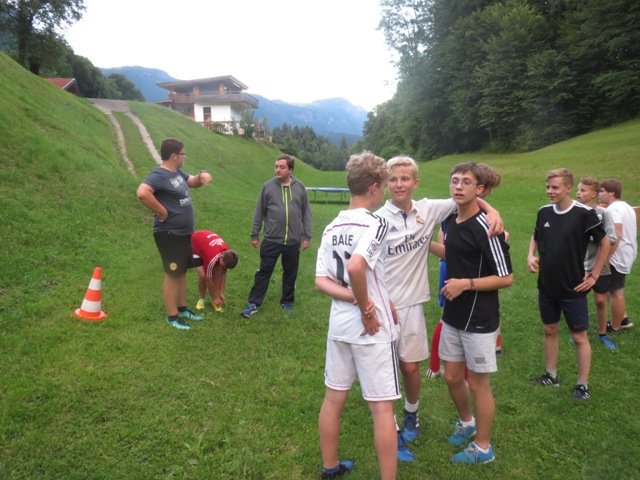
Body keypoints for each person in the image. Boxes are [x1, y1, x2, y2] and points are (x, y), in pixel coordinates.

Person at [374, 156, 503, 462]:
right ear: (385, 184)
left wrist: (492, 210)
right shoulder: (377, 219)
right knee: (385, 372)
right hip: (382, 306)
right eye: (393, 179)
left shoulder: (430, 209)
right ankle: (392, 431)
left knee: (410, 368)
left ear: (415, 183)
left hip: (412, 305)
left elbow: (467, 199)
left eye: (405, 179)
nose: (399, 184)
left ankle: (411, 413)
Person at [315, 152, 397, 480]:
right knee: (382, 408)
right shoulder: (376, 223)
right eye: (385, 186)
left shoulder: (332, 226)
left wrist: (355, 298)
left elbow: (321, 281)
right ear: (374, 186)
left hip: (339, 327)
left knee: (333, 399)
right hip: (370, 330)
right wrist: (366, 309)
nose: (386, 192)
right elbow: (356, 266)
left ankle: (330, 468)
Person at [438, 162, 512, 464]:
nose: (458, 186)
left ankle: (483, 448)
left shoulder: (488, 228)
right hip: (453, 312)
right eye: (454, 180)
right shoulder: (451, 219)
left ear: (479, 189)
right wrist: (418, 244)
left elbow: (506, 277)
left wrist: (465, 284)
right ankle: (467, 422)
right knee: (452, 376)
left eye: (466, 182)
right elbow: (453, 253)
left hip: (479, 317)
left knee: (479, 384)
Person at [528, 168, 609, 400]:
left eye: (555, 187)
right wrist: (530, 255)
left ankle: (582, 386)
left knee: (579, 336)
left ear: (568, 188)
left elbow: (605, 243)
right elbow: (536, 236)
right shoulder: (544, 212)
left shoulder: (584, 213)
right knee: (549, 329)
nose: (550, 191)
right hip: (546, 285)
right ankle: (550, 375)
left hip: (573, 287)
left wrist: (594, 275)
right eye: (548, 187)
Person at [426, 163, 504, 380]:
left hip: (471, 284)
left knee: (454, 320)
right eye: (488, 189)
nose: (488, 194)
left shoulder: (484, 221)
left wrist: (492, 212)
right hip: (454, 273)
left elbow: (505, 276)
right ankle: (438, 366)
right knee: (446, 319)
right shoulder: (453, 212)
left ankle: (470, 367)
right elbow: (449, 243)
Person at [136, 138, 213, 330]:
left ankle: (182, 309)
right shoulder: (159, 175)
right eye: (183, 154)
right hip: (170, 233)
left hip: (184, 233)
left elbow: (193, 181)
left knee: (181, 271)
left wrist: (202, 175)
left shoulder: (176, 173)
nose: (184, 157)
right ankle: (172, 317)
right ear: (173, 156)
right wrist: (162, 211)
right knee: (173, 274)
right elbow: (142, 192)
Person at [240, 154, 313, 317]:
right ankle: (254, 303)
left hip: (293, 241)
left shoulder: (300, 187)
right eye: (276, 167)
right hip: (271, 240)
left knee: (290, 273)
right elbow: (259, 212)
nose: (278, 170)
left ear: (290, 170)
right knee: (264, 271)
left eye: (282, 167)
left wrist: (307, 236)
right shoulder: (267, 187)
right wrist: (254, 235)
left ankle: (286, 301)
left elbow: (306, 213)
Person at [575, 178, 618, 349]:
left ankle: (603, 334)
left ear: (594, 194)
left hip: (599, 266)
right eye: (578, 190)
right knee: (578, 300)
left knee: (600, 300)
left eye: (583, 190)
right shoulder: (574, 212)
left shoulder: (603, 213)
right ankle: (579, 331)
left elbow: (612, 238)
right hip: (578, 265)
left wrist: (593, 235)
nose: (578, 193)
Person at [597, 179, 638, 333]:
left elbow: (617, 234)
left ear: (612, 193)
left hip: (617, 255)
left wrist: (606, 257)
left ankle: (616, 326)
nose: (598, 194)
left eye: (602, 191)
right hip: (627, 252)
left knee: (616, 292)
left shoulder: (613, 209)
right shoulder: (625, 206)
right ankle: (623, 318)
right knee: (611, 288)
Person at [191, 230, 239, 312]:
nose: (224, 267)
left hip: (208, 247)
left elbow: (223, 274)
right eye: (224, 265)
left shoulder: (228, 254)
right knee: (203, 276)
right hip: (195, 245)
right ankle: (202, 298)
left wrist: (221, 292)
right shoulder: (212, 259)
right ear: (221, 257)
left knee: (218, 272)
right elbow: (208, 280)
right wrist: (215, 297)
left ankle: (214, 300)